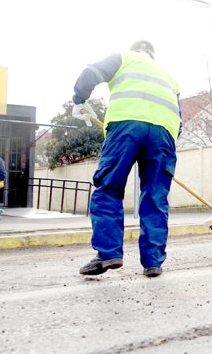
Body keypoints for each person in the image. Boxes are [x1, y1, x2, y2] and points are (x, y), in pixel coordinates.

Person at [72, 40, 181, 277]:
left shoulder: (125, 57)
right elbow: (179, 119)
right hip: (164, 136)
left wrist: (80, 99)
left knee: (109, 188)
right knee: (155, 197)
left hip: (126, 128)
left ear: (136, 51)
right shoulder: (169, 77)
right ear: (153, 55)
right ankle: (153, 262)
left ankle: (109, 252)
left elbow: (91, 73)